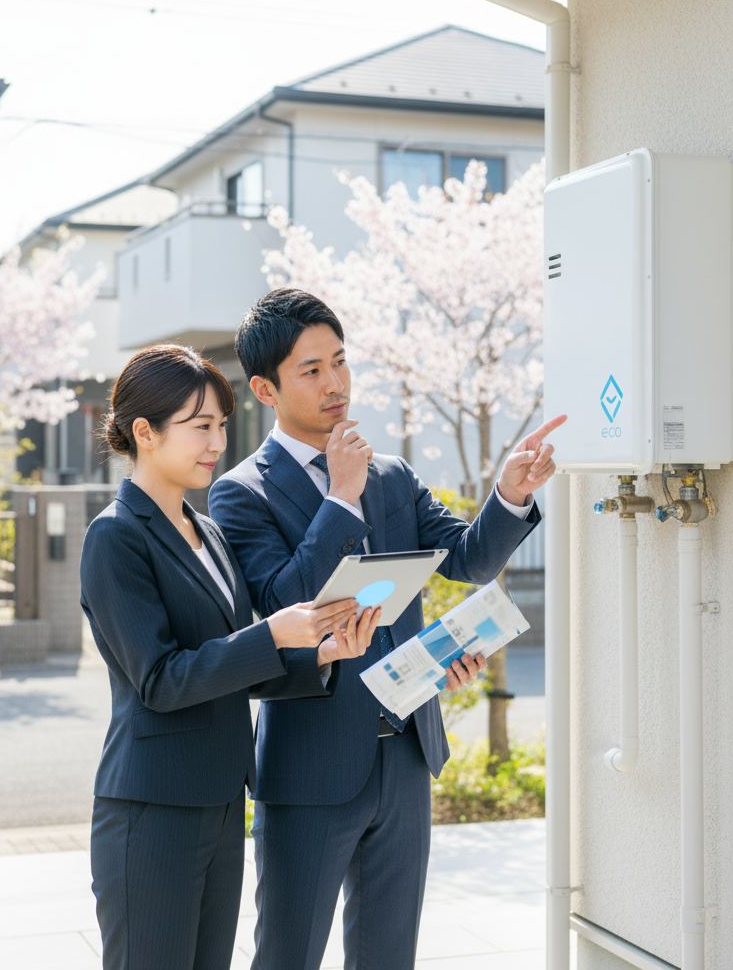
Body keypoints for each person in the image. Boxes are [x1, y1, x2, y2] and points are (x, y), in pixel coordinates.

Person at [208, 289, 566, 970]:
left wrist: (511, 492)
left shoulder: (393, 476)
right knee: (287, 957)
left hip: (405, 756)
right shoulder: (241, 492)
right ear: (265, 389)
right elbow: (286, 602)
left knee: (389, 957)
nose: (335, 383)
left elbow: (467, 560)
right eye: (312, 370)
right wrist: (341, 496)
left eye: (340, 362)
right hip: (310, 767)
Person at [80, 343, 382, 970]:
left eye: (221, 424)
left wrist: (319, 654)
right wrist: (273, 634)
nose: (217, 442)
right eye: (200, 427)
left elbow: (229, 667)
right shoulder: (115, 535)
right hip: (153, 809)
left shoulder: (208, 531)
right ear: (145, 432)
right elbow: (161, 680)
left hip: (220, 803)